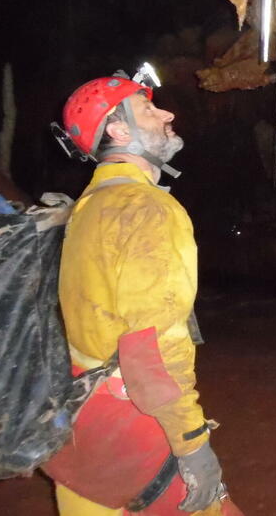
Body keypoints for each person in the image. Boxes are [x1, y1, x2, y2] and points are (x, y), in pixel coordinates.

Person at [44, 70, 243, 516]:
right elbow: (150, 345)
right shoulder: (147, 209)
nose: (168, 113)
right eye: (149, 109)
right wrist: (191, 444)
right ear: (118, 130)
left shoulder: (87, 206)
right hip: (133, 432)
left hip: (79, 434)